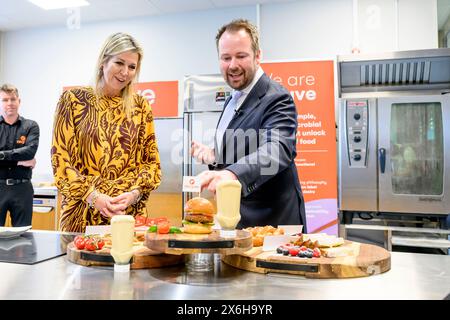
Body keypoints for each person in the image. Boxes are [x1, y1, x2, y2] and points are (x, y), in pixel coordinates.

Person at [191, 19, 307, 231]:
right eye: (226, 58)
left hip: (273, 222)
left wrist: (232, 174)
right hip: (239, 219)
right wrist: (215, 155)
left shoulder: (276, 97)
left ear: (258, 55)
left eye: (241, 56)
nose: (232, 65)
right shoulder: (232, 99)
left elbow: (276, 151)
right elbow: (243, 149)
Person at [51, 32, 161, 232]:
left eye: (132, 67)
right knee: (80, 263)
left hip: (127, 214)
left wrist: (134, 194)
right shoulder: (73, 100)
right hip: (81, 213)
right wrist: (94, 197)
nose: (125, 72)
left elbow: (151, 163)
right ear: (103, 61)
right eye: (119, 63)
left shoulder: (141, 106)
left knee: (127, 262)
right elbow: (61, 161)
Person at [0, 84, 39, 227]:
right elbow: (25, 156)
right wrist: (19, 161)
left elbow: (30, 152)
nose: (9, 103)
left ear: (19, 101)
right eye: (5, 100)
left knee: (23, 237)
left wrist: (2, 156)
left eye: (13, 99)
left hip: (22, 189)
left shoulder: (30, 126)